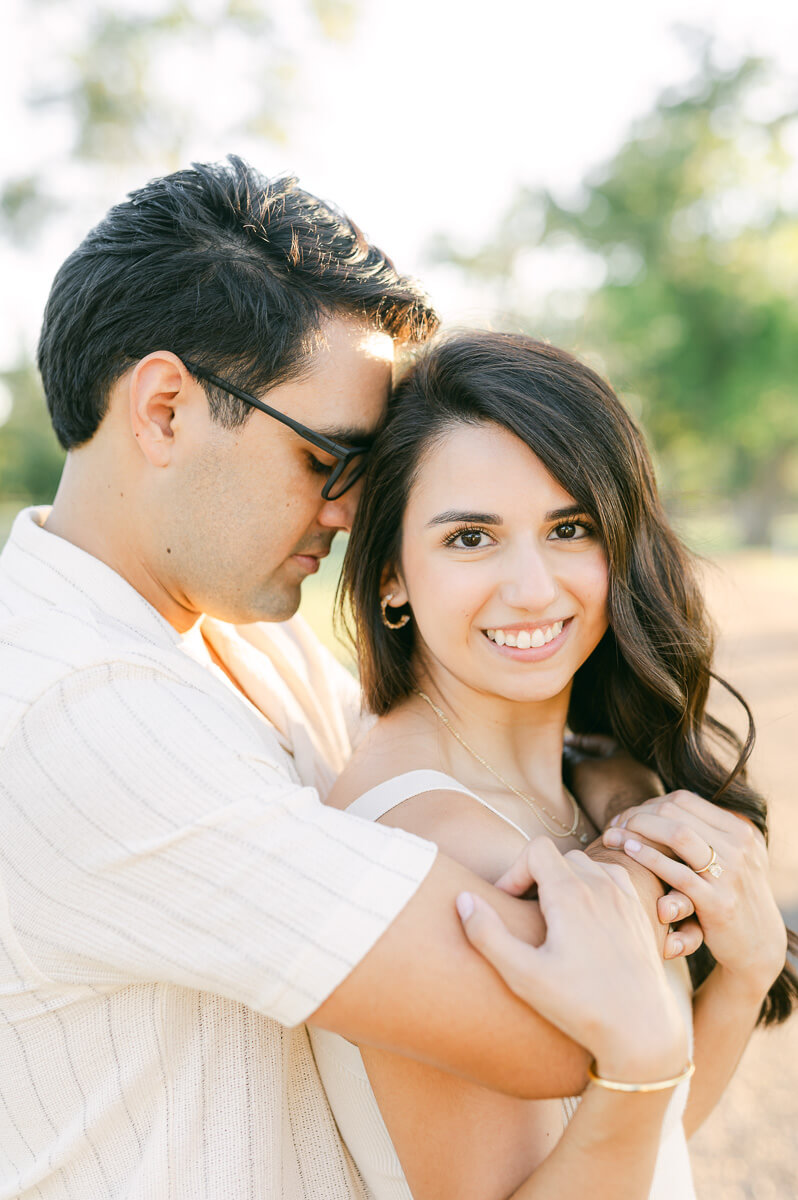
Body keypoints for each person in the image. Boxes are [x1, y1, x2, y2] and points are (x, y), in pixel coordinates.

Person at [0, 157, 688, 1199]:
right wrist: (656, 864)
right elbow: (547, 1031)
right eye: (329, 460)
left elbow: (467, 766)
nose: (348, 512)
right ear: (165, 409)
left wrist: (608, 790)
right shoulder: (82, 713)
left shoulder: (228, 632)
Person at [314, 329, 796, 1199]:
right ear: (390, 573)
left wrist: (747, 972)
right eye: (471, 538)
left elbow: (641, 1148)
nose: (533, 587)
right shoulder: (434, 854)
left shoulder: (594, 782)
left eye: (570, 527)